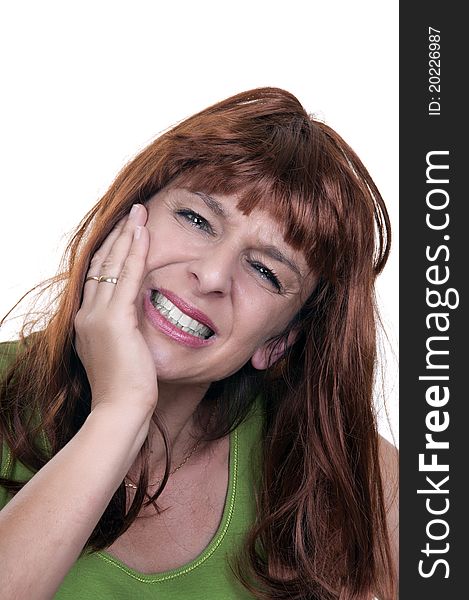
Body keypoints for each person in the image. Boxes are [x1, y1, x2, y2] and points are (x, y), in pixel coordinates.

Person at [0, 87, 398, 599]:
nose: (212, 275)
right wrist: (120, 410)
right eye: (196, 219)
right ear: (128, 217)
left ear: (278, 342)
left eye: (264, 271)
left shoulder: (336, 470)